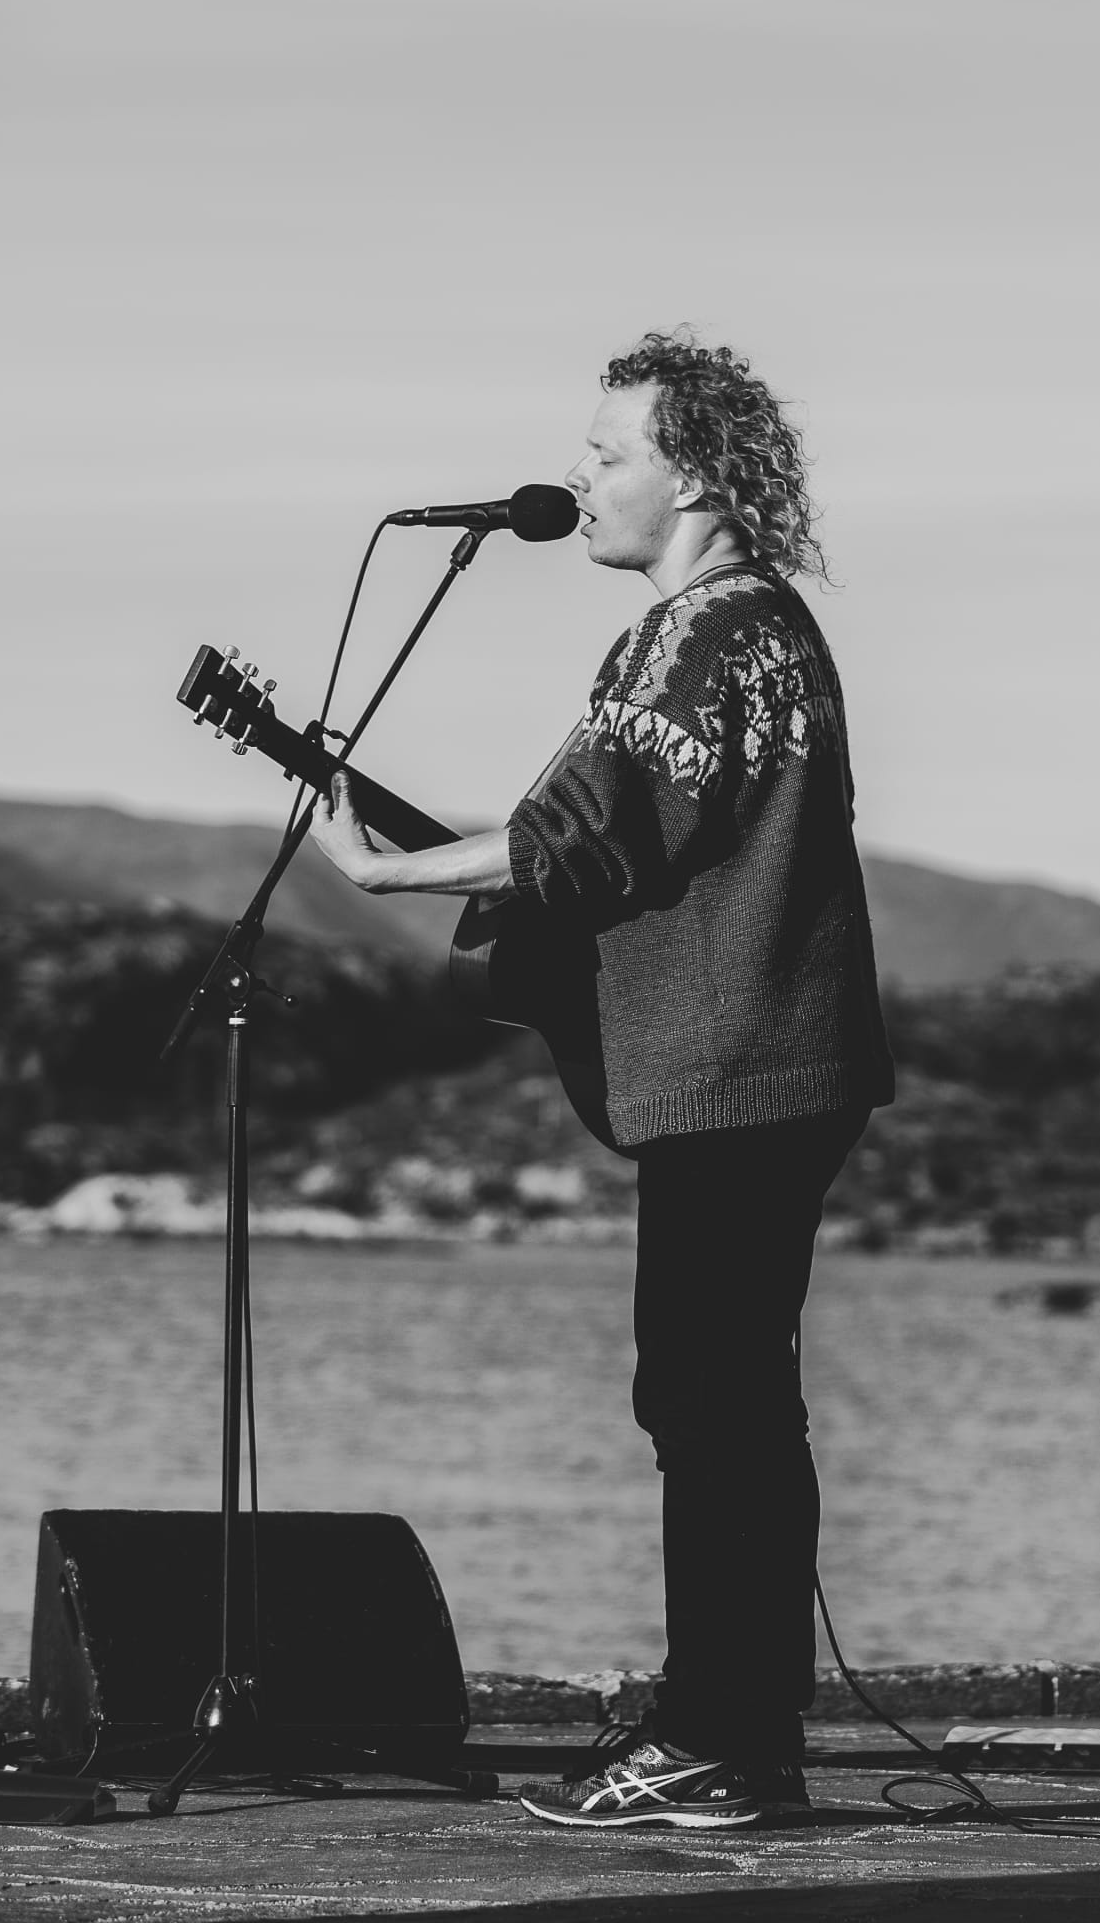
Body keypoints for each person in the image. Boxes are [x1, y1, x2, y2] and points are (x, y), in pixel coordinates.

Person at [309, 331, 896, 1830]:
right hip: (777, 1064)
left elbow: (572, 833)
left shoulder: (696, 635)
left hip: (740, 1068)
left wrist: (381, 870)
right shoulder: (760, 626)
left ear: (694, 472)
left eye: (608, 452)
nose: (577, 476)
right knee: (728, 1401)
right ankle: (739, 1740)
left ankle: (716, 1734)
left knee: (708, 1404)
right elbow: (614, 833)